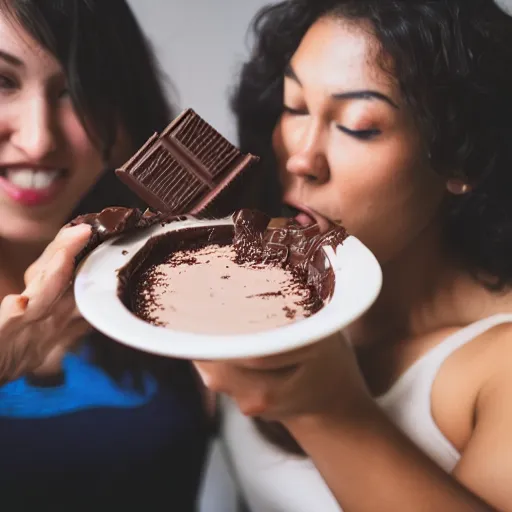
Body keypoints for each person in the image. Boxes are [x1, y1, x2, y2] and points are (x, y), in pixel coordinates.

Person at [197, 0, 512, 510]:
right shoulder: (262, 273)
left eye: (359, 126)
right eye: (295, 107)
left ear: (463, 154)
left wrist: (324, 408)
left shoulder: (499, 368)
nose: (301, 157)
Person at [0, 1, 208, 509]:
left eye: (78, 90)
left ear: (121, 127)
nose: (38, 139)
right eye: (2, 82)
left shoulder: (184, 282)